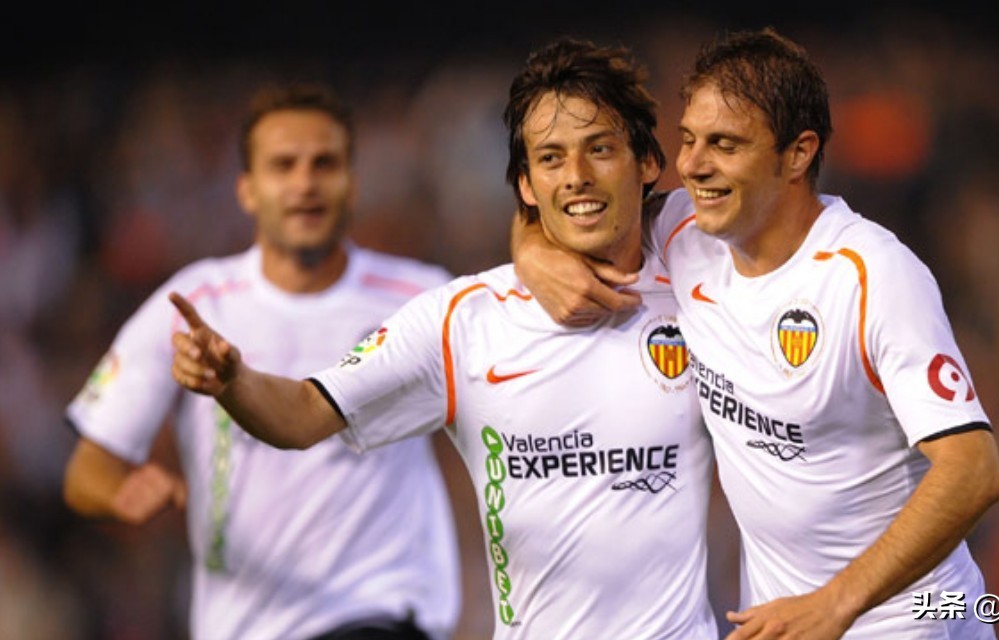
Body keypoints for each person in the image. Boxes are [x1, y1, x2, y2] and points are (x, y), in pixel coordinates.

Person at [167, 38, 720, 640]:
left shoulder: (700, 275)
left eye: (601, 149)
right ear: (526, 187)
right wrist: (233, 381)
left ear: (647, 162)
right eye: (551, 158)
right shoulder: (462, 321)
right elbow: (301, 415)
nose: (577, 177)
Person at [512, 27, 999, 639]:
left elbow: (974, 470)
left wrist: (836, 602)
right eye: (689, 139)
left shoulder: (873, 276)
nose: (693, 165)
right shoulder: (686, 232)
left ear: (797, 153)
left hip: (904, 621)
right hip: (779, 622)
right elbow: (579, 207)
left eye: (725, 144)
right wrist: (531, 249)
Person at [63, 83, 461, 640]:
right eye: (283, 165)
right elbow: (86, 472)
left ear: (352, 184)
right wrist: (119, 494)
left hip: (384, 608)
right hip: (243, 623)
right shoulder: (192, 307)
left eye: (324, 164)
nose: (305, 183)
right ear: (247, 190)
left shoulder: (425, 300)